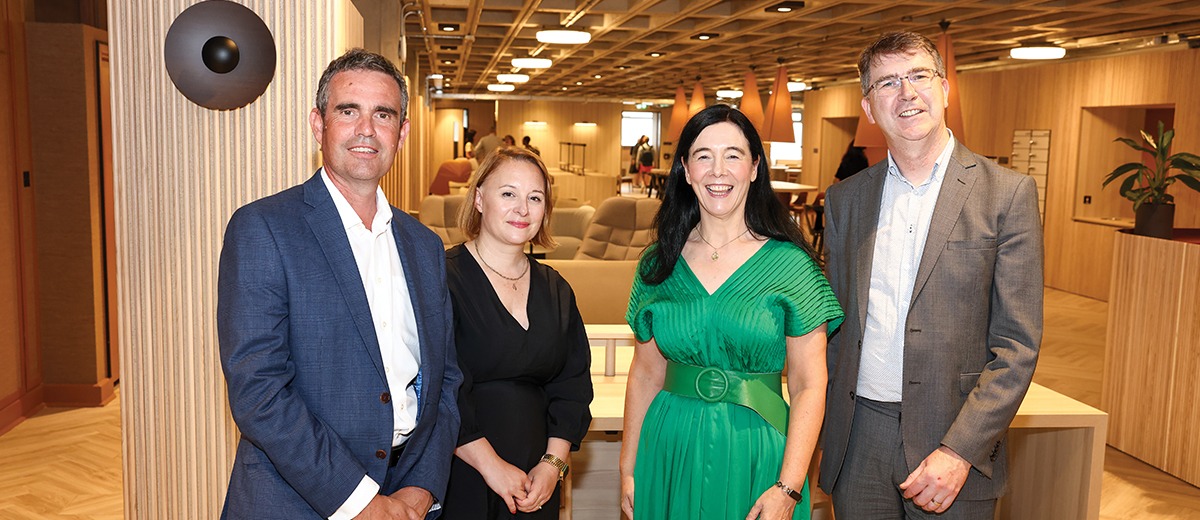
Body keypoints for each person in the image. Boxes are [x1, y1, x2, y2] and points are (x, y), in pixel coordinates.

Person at [217, 48, 462, 520]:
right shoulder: (263, 228)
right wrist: (362, 502)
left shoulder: (425, 246)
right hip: (297, 501)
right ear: (318, 123)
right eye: (348, 111)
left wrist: (420, 490)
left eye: (383, 114)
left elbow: (446, 382)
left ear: (402, 133)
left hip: (406, 500)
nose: (366, 129)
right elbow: (258, 391)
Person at [820, 31, 1043, 518]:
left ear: (944, 89)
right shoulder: (845, 201)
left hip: (953, 441)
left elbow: (1018, 347)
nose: (907, 92)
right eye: (887, 82)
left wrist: (961, 449)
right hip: (858, 438)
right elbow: (834, 329)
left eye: (919, 75)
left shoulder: (1007, 195)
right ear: (869, 106)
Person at [620, 104, 844, 520]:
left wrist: (790, 486)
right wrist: (628, 467)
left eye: (733, 155)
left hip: (758, 450)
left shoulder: (792, 265)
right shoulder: (658, 263)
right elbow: (646, 373)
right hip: (669, 447)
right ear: (686, 170)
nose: (717, 170)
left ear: (755, 167)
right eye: (703, 156)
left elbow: (809, 383)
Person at [442, 147, 593, 519]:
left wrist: (552, 466)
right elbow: (438, 390)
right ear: (479, 198)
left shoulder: (556, 289)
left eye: (535, 197)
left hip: (534, 483)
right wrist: (493, 467)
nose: (522, 209)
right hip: (462, 473)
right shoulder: (441, 278)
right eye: (508, 193)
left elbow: (572, 387)